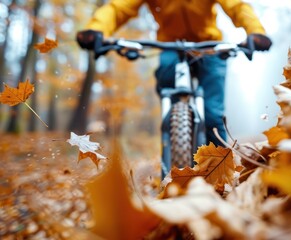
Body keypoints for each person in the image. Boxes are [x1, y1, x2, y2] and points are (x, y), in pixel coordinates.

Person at [76, 0, 272, 147]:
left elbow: (236, 6)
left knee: (213, 115)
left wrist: (255, 31)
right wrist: (96, 29)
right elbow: (119, 8)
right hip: (171, 46)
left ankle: (222, 173)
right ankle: (173, 151)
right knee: (168, 89)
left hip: (209, 46)